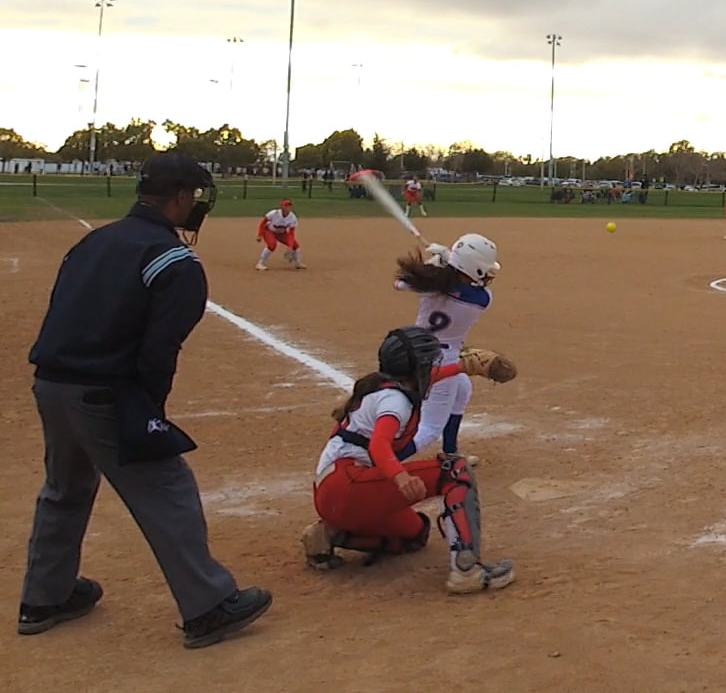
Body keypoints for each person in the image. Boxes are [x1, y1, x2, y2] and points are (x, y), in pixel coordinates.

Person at [20, 152, 272, 649]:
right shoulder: (174, 260)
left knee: (65, 488)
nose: (196, 204)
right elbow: (160, 350)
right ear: (178, 198)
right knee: (167, 488)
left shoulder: (95, 241)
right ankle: (208, 606)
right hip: (105, 391)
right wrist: (148, 414)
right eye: (193, 196)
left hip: (51, 382)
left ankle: (44, 597)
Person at [301, 327, 516, 593]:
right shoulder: (395, 402)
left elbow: (429, 378)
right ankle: (467, 571)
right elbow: (379, 445)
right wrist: (400, 476)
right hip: (346, 486)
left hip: (338, 493)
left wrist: (464, 367)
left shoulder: (385, 385)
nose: (433, 367)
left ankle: (330, 533)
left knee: (414, 535)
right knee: (454, 470)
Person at [391, 235, 500, 464]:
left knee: (462, 388)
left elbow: (400, 284)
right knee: (430, 428)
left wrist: (433, 266)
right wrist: (445, 262)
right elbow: (464, 290)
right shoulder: (481, 298)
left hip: (416, 351)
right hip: (442, 360)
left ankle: (450, 452)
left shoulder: (432, 286)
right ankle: (381, 463)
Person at [254, 198, 304, 271]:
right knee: (272, 245)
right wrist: (259, 235)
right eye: (286, 205)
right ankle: (260, 263)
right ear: (281, 207)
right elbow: (263, 223)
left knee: (295, 246)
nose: (288, 207)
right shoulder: (274, 213)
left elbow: (291, 233)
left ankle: (298, 263)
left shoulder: (292, 218)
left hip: (281, 233)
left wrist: (290, 246)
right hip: (269, 231)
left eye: (289, 206)